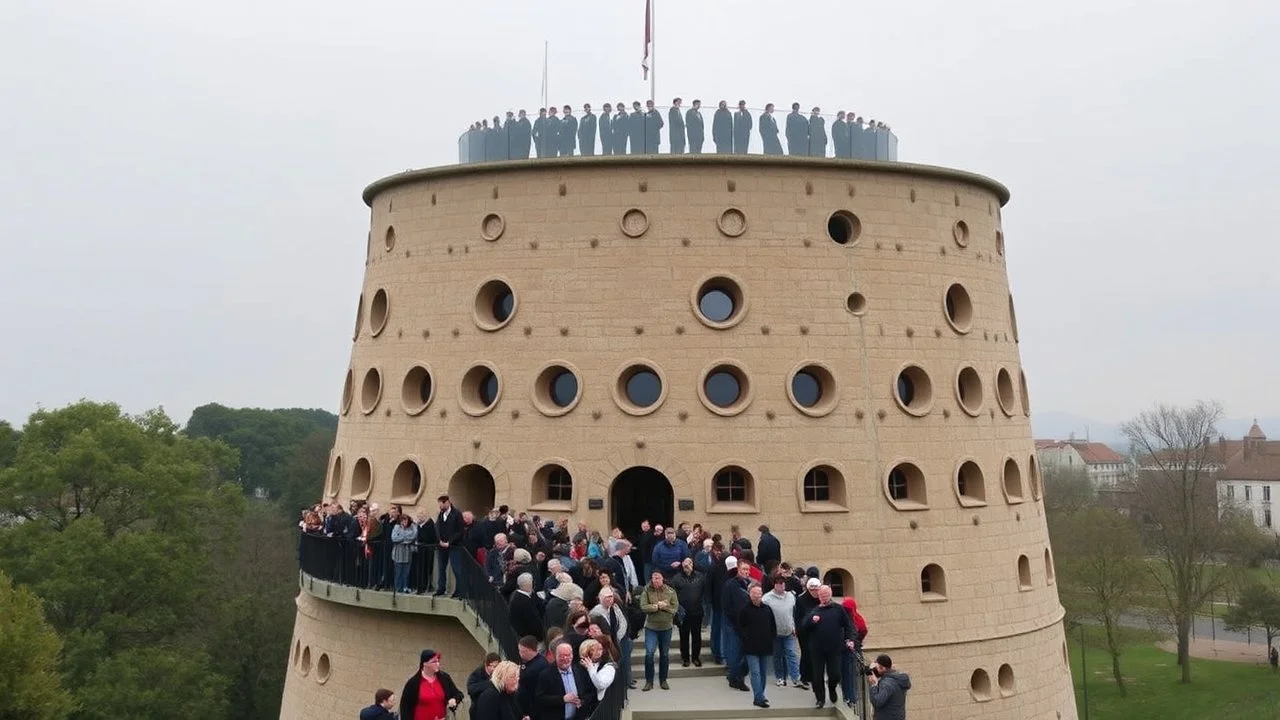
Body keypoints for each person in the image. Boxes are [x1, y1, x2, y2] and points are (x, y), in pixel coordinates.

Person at [801, 586, 857, 709]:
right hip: (817, 649)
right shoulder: (813, 611)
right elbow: (804, 627)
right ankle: (820, 699)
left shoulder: (838, 609)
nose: (824, 597)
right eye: (822, 595)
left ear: (830, 595)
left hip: (834, 649)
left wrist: (850, 639)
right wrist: (812, 621)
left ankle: (832, 688)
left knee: (835, 674)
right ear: (819, 596)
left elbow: (848, 626)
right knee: (817, 676)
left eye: (826, 595)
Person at [738, 585, 777, 709]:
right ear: (750, 594)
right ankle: (758, 698)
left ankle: (761, 695)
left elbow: (773, 626)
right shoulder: (744, 610)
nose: (757, 596)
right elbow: (740, 627)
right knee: (755, 673)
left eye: (759, 593)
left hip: (765, 645)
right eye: (755, 593)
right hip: (751, 646)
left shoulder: (767, 609)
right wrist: (746, 638)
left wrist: (772, 638)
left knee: (763, 673)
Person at [762, 574, 804, 688]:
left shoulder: (791, 596)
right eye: (779, 583)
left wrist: (794, 626)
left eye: (783, 583)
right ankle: (780, 677)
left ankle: (796, 678)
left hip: (789, 631)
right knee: (778, 656)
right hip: (775, 633)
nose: (781, 586)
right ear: (774, 585)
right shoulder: (767, 598)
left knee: (792, 654)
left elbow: (793, 613)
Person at [639, 570, 679, 691]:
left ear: (662, 579)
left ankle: (663, 680)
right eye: (653, 578)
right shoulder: (646, 590)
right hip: (651, 627)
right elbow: (643, 607)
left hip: (666, 627)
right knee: (649, 654)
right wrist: (656, 606)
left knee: (664, 654)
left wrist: (665, 606)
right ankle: (649, 681)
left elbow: (674, 608)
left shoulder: (670, 591)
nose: (655, 580)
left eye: (658, 578)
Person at [535, 643, 596, 720]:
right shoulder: (545, 675)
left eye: (568, 655)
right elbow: (540, 699)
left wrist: (582, 701)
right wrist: (562, 699)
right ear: (555, 656)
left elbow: (590, 692)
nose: (565, 658)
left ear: (572, 656)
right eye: (561, 656)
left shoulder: (580, 671)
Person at [400, 649, 464, 720]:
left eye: (438, 661)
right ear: (425, 664)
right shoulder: (413, 683)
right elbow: (405, 708)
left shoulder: (444, 678)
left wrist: (454, 699)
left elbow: (459, 694)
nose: (438, 664)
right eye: (434, 662)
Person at [589, 587, 633, 689]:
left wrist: (618, 637)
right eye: (607, 597)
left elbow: (622, 622)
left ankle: (627, 681)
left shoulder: (615, 608)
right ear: (601, 598)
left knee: (624, 660)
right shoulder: (596, 612)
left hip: (618, 639)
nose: (610, 599)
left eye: (611, 597)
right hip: (606, 642)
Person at [668, 557, 706, 667]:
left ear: (693, 565)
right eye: (685, 564)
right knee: (684, 636)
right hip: (683, 613)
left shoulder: (700, 577)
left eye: (689, 563)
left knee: (696, 636)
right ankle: (685, 658)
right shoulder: (676, 578)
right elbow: (672, 594)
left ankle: (695, 657)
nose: (687, 566)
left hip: (697, 611)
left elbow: (704, 591)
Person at [434, 496, 464, 598]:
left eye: (441, 504)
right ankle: (441, 588)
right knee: (441, 568)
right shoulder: (441, 514)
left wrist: (450, 542)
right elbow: (438, 528)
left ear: (447, 502)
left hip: (454, 546)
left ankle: (459, 590)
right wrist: (440, 541)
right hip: (442, 546)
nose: (440, 507)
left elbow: (459, 531)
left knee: (456, 568)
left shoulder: (457, 514)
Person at [867, 654, 911, 720]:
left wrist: (874, 685)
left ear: (883, 668)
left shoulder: (886, 684)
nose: (874, 671)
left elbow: (877, 702)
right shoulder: (896, 679)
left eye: (876, 668)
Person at [509, 573, 544, 651]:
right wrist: (541, 637)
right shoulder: (524, 601)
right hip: (529, 638)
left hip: (525, 636)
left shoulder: (518, 595)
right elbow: (533, 621)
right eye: (531, 583)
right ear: (528, 584)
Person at [516, 636, 548, 716]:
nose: (520, 653)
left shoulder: (536, 668)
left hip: (531, 710)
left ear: (530, 650)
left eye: (522, 651)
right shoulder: (536, 661)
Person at [466, 653, 502, 720]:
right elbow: (471, 689)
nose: (494, 669)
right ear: (486, 665)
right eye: (491, 666)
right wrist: (491, 683)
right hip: (478, 710)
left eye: (496, 667)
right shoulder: (477, 674)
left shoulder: (500, 673)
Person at [391, 513, 418, 594]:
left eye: (405, 520)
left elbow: (413, 536)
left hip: (407, 552)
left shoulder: (411, 528)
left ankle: (405, 587)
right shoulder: (396, 527)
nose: (404, 522)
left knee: (406, 572)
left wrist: (402, 538)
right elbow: (394, 538)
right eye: (402, 520)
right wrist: (405, 537)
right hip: (398, 553)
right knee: (398, 572)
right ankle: (398, 588)